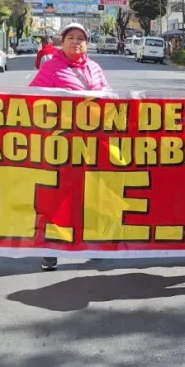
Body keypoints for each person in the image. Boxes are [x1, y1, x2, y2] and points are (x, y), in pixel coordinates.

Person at [30, 22, 111, 271]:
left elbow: (108, 94)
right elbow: (32, 98)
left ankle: (95, 242)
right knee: (56, 195)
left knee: (92, 193)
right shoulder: (51, 68)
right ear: (62, 42)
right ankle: (49, 248)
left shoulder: (94, 68)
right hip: (62, 145)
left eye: (81, 38)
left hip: (92, 143)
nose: (76, 42)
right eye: (71, 38)